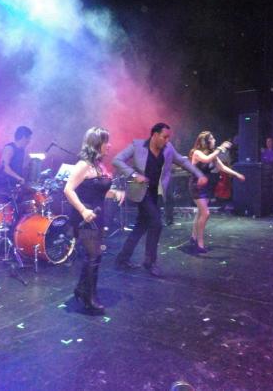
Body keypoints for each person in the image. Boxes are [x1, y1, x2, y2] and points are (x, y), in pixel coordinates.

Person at [112, 122, 208, 277]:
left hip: (155, 193)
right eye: (165, 137)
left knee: (141, 226)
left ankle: (122, 259)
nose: (167, 140)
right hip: (141, 192)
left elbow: (183, 161)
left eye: (169, 137)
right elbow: (117, 160)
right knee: (156, 223)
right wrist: (134, 175)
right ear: (155, 135)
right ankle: (150, 262)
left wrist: (199, 174)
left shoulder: (168, 148)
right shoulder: (137, 145)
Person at [64, 127, 124, 314]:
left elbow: (98, 190)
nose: (109, 145)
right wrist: (83, 210)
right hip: (85, 216)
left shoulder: (98, 165)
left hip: (98, 214)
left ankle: (82, 289)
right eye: (106, 142)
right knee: (93, 255)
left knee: (95, 255)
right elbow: (68, 189)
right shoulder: (83, 165)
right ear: (97, 144)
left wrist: (115, 193)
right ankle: (89, 296)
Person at [188, 132, 245, 253]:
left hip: (205, 185)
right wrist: (220, 148)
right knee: (205, 213)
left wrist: (236, 174)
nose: (214, 140)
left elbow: (222, 167)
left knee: (200, 212)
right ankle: (200, 244)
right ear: (206, 141)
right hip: (196, 185)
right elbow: (206, 159)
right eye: (212, 138)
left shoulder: (212, 153)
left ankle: (193, 237)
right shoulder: (197, 153)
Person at [261, 137, 273, 205]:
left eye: (269, 141)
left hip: (272, 171)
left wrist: (267, 160)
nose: (268, 143)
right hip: (264, 172)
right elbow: (263, 160)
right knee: (264, 187)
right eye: (267, 142)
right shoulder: (263, 151)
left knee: (272, 187)